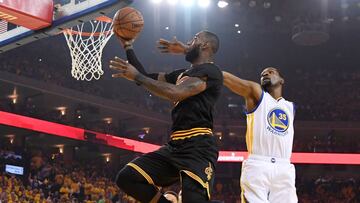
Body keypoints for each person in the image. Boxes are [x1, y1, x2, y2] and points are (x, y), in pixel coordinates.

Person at [110, 31, 223, 203]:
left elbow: (176, 93)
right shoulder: (180, 74)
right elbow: (145, 77)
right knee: (127, 177)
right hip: (175, 146)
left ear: (205, 45)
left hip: (198, 147)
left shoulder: (211, 71)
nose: (188, 41)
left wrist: (137, 76)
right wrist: (128, 46)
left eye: (194, 39)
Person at [223, 68, 297, 202]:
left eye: (271, 72)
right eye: (263, 73)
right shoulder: (256, 93)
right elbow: (228, 79)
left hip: (284, 165)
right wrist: (207, 68)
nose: (265, 74)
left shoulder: (290, 107)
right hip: (258, 163)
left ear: (281, 80)